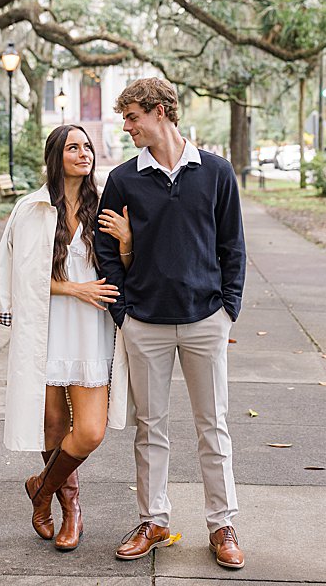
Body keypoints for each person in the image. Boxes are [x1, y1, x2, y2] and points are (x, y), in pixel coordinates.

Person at [95, 78, 247, 569]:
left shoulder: (217, 173)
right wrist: (124, 313)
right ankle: (154, 520)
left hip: (206, 320)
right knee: (150, 428)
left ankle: (222, 525)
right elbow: (105, 252)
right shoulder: (122, 180)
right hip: (145, 322)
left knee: (213, 427)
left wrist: (228, 310)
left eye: (133, 116)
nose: (127, 126)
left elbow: (233, 248)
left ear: (160, 112)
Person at [0, 125, 132, 552]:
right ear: (56, 155)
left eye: (87, 146)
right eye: (73, 147)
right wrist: (74, 288)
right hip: (47, 328)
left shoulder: (105, 205)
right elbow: (22, 276)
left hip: (92, 330)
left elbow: (126, 269)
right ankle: (72, 510)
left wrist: (127, 241)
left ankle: (41, 488)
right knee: (52, 426)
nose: (84, 153)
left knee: (89, 432)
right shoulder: (31, 209)